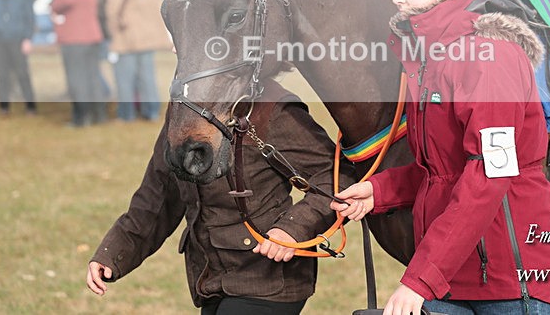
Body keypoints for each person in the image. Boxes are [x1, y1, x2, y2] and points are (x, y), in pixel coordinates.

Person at [332, 0, 550, 315]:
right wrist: (383, 190)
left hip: (513, 283)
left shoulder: (488, 58)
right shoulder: (431, 59)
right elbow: (444, 169)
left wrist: (421, 278)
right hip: (453, 277)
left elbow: (490, 174)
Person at [86, 80, 354, 315]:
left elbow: (336, 177)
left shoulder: (271, 108)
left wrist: (293, 229)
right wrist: (114, 253)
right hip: (211, 279)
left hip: (270, 281)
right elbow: (157, 197)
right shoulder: (184, 109)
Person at [104, 0, 171, 121]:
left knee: (124, 79)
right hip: (147, 38)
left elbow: (112, 11)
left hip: (126, 38)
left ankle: (127, 114)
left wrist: (112, 34)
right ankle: (152, 111)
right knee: (147, 78)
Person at [50, 0, 106, 126]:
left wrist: (54, 5)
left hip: (75, 37)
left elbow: (66, 0)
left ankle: (82, 118)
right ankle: (99, 115)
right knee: (92, 77)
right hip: (91, 35)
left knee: (77, 79)